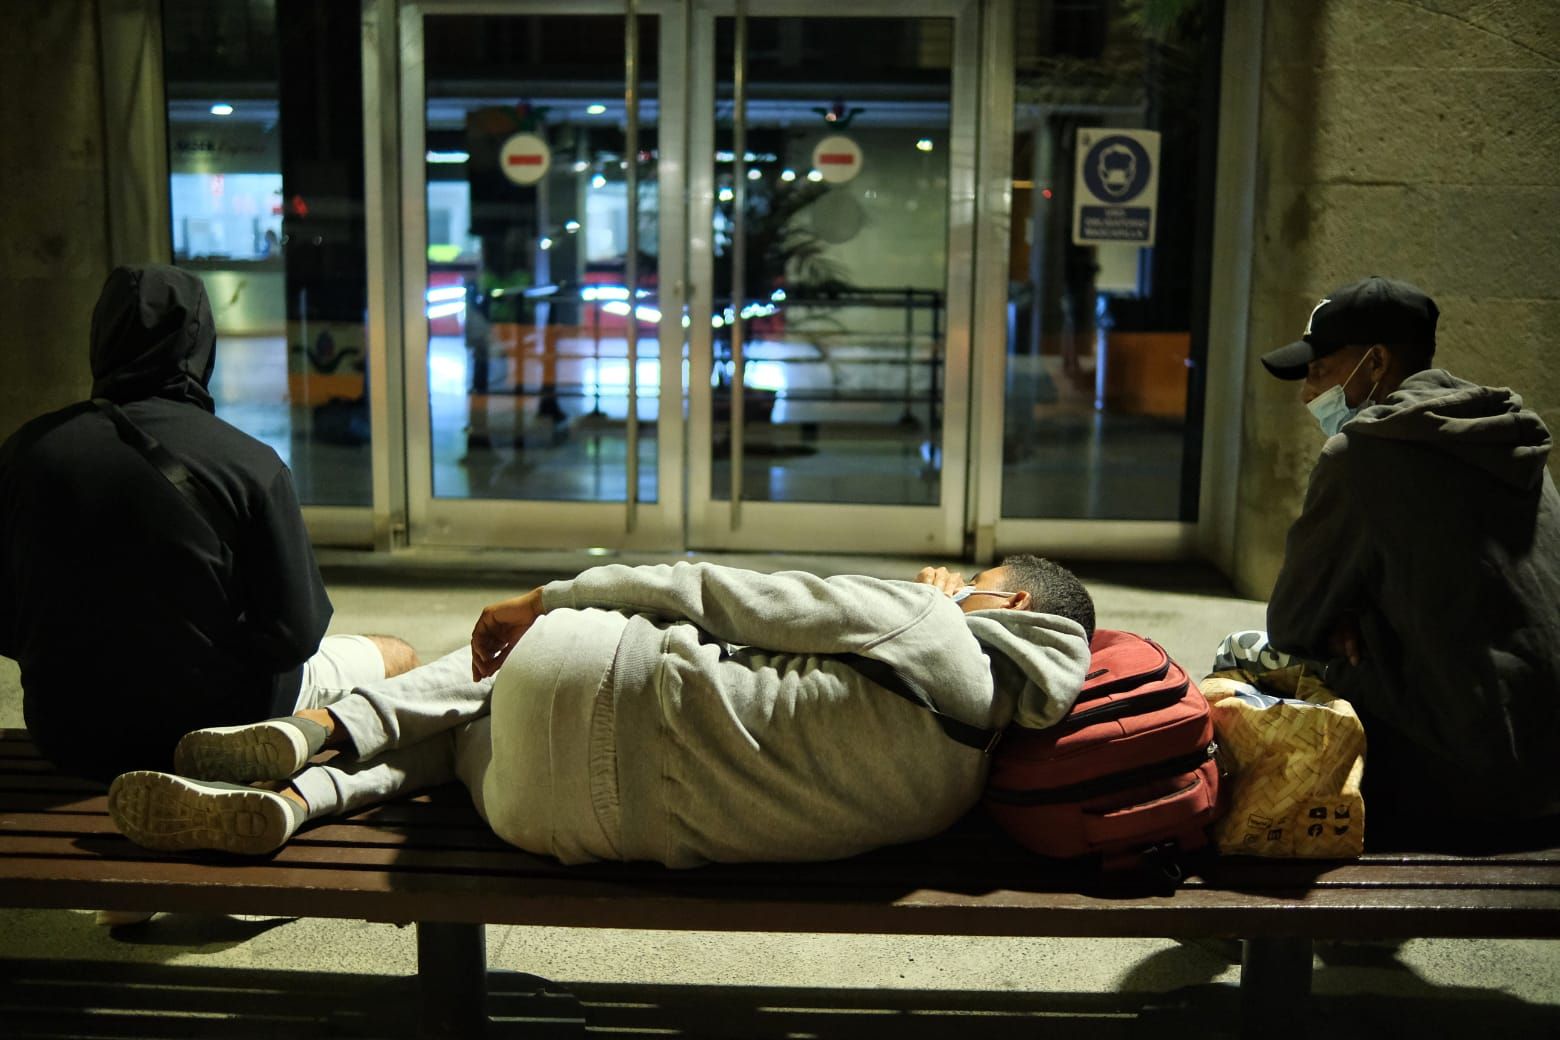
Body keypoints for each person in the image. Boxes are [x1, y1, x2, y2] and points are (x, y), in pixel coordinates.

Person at [105, 556, 1095, 866]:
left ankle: (320, 732)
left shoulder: (928, 623)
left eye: (975, 573)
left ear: (1005, 603)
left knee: (515, 663)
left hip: (575, 692)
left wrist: (557, 590)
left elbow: (715, 588)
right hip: (557, 820)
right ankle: (302, 799)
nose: (950, 576)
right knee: (462, 745)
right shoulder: (961, 783)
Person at [0, 265, 418, 787]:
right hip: (214, 728)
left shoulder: (24, 453)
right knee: (397, 657)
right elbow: (296, 634)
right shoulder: (248, 464)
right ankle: (303, 762)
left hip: (67, 735)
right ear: (200, 344)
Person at [1253, 274, 1560, 838]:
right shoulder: (1510, 438)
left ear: (1375, 363)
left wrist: (1345, 617)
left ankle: (1264, 921)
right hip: (1549, 774)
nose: (1306, 394)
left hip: (1461, 784)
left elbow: (1291, 624)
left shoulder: (1363, 454)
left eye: (1319, 370)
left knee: (1245, 664)